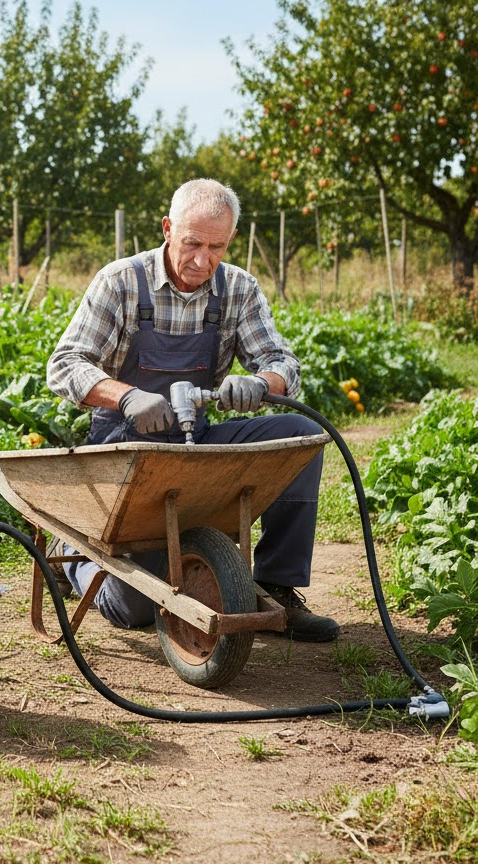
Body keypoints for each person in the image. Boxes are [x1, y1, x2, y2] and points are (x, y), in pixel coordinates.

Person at [45, 177, 338, 642]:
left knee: (300, 433)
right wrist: (126, 396)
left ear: (231, 240)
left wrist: (263, 382)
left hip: (192, 442)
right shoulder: (121, 282)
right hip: (123, 450)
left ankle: (277, 585)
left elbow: (283, 363)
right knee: (138, 607)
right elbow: (64, 365)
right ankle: (75, 553)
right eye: (192, 243)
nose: (203, 260)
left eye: (216, 247)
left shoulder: (238, 289)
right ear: (167, 228)